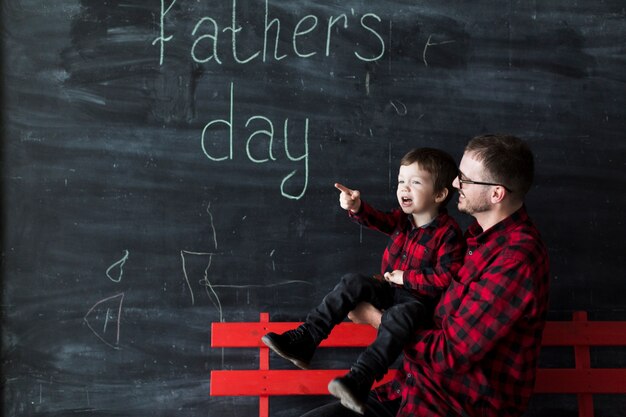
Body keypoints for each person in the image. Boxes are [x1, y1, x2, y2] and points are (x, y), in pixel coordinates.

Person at [300, 134, 551, 417]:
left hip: (451, 406)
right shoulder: (473, 241)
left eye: (465, 180)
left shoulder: (515, 260)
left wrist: (374, 319)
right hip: (410, 390)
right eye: (458, 175)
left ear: (496, 194)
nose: (456, 184)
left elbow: (452, 353)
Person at [262, 147, 465, 414]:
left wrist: (407, 277)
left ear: (439, 194)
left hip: (419, 303)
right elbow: (378, 219)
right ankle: (306, 338)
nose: (404, 188)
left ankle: (359, 379)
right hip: (390, 290)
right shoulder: (404, 220)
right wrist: (357, 207)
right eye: (401, 181)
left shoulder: (449, 233)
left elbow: (447, 278)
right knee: (352, 282)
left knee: (400, 316)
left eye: (415, 182)